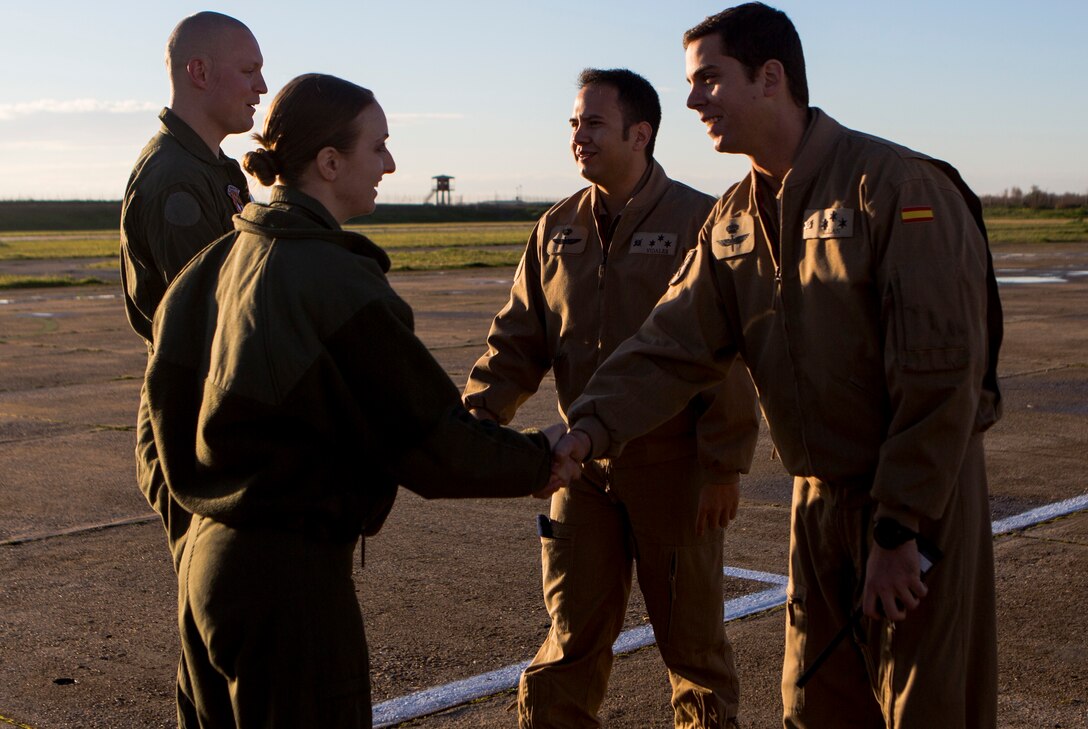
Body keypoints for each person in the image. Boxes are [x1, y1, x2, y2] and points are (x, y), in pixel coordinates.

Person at [557, 5, 1004, 728]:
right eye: (691, 82)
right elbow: (671, 342)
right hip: (818, 504)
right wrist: (587, 429)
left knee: (929, 709)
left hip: (921, 503)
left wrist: (900, 527)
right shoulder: (733, 216)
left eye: (709, 79)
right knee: (814, 706)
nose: (694, 99)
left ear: (771, 78)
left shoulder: (895, 186)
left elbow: (941, 372)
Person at [143, 73, 577, 729]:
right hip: (291, 587)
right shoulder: (333, 280)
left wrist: (201, 534)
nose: (391, 164)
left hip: (203, 566)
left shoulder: (214, 263)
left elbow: (152, 435)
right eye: (378, 147)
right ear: (328, 162)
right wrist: (538, 458)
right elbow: (432, 442)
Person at [463, 68, 759, 729]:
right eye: (573, 123)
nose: (578, 136)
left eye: (592, 123)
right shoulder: (556, 229)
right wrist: (474, 419)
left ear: (640, 134)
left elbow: (727, 355)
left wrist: (723, 461)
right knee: (568, 644)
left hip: (676, 473)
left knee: (695, 656)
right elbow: (516, 340)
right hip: (581, 469)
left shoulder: (701, 220)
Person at [119, 11, 267, 568]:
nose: (262, 87)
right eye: (249, 71)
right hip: (195, 419)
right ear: (199, 71)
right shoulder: (175, 178)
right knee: (220, 611)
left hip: (216, 411)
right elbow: (212, 322)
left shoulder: (213, 167)